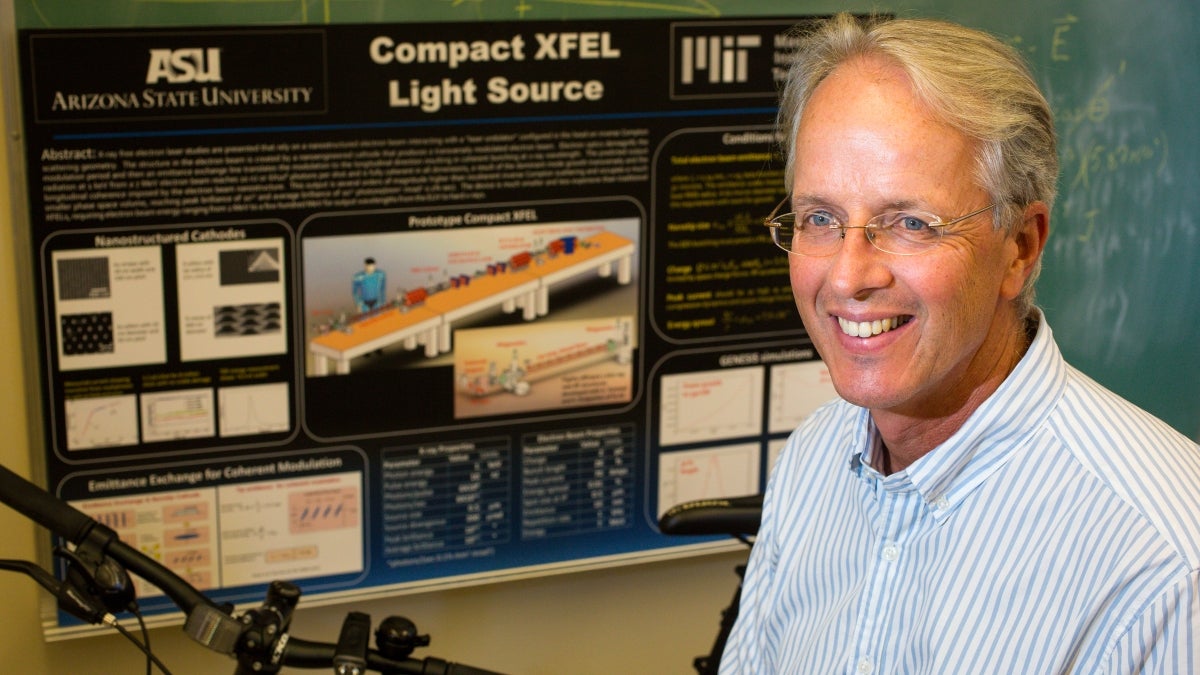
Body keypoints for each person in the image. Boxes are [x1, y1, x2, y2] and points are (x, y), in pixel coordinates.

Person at [719, 13, 1200, 674]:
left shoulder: (1164, 559)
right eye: (821, 218)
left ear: (1020, 248)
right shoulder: (813, 459)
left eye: (910, 223)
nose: (849, 275)